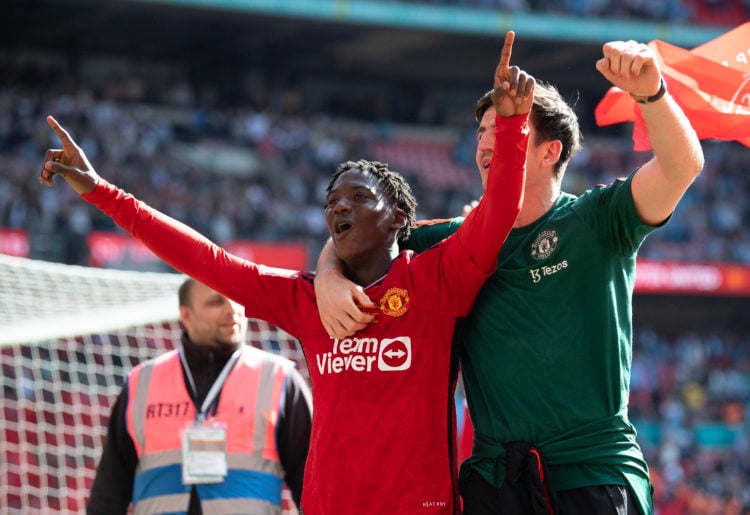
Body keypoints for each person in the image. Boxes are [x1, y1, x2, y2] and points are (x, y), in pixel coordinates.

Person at [40, 32, 532, 514]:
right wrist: (101, 190)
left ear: (399, 220)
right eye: (333, 201)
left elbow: (499, 211)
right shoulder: (305, 300)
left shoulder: (435, 281)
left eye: (361, 198)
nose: (342, 207)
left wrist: (511, 128)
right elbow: (205, 260)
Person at [314, 40, 704, 514]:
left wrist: (651, 94)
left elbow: (683, 166)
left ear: (548, 152)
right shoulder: (453, 242)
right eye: (481, 130)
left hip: (593, 473)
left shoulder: (598, 219)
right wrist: (327, 275)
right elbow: (362, 235)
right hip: (496, 484)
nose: (483, 143)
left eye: (503, 127)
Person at [86, 277, 312, 515]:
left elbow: (313, 484)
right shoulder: (141, 381)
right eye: (216, 302)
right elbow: (109, 491)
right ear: (186, 316)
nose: (232, 310)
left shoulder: (279, 378)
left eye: (237, 300)